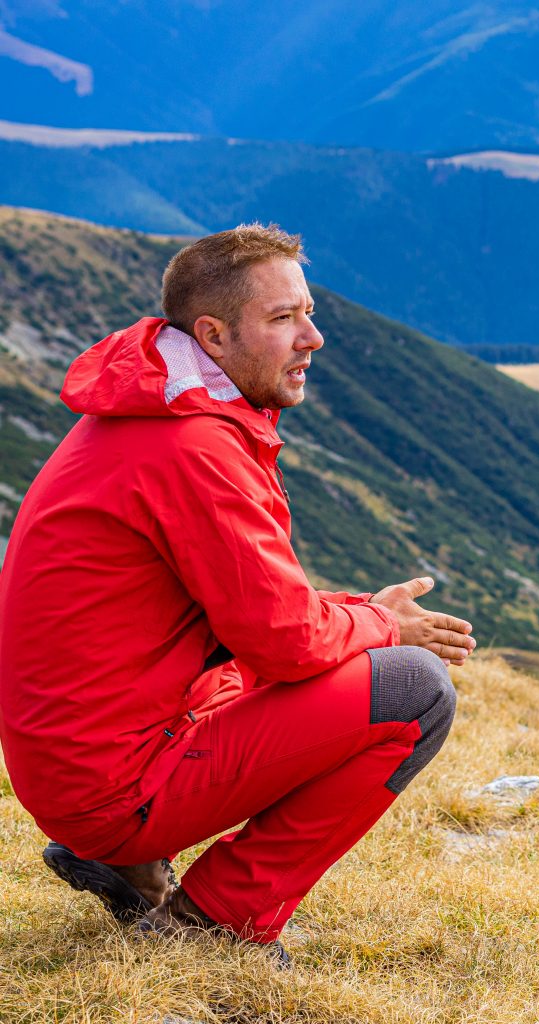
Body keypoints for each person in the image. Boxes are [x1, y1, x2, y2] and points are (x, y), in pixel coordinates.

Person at [0, 223, 476, 966]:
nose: (312, 337)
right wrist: (380, 625)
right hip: (111, 783)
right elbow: (286, 642)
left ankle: (126, 868)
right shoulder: (190, 444)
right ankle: (213, 922)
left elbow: (258, 612)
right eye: (283, 319)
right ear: (214, 336)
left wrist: (362, 616)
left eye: (309, 312)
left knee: (325, 657)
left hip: (81, 763)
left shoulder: (163, 410)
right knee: (416, 690)